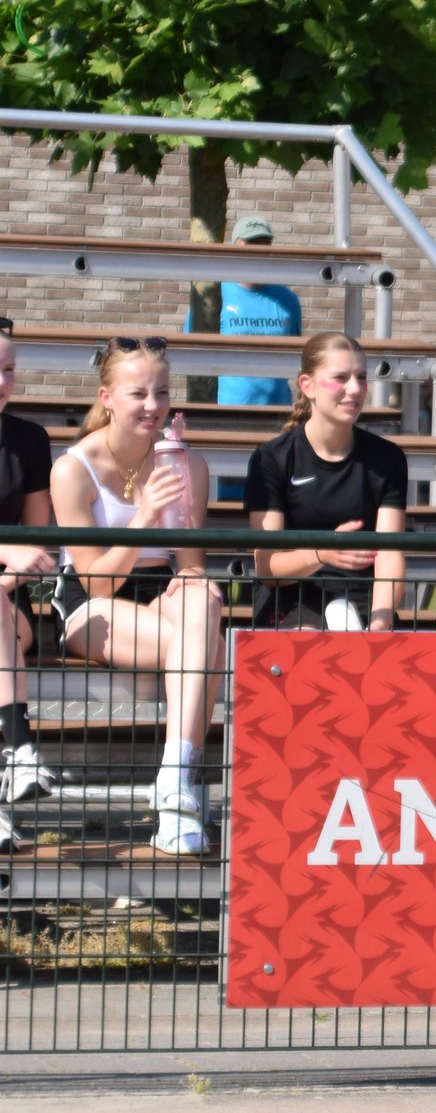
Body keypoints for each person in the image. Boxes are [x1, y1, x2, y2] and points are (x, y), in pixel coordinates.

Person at [50, 338, 224, 855]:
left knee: (204, 601)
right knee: (206, 649)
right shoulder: (73, 469)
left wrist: (196, 580)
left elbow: (190, 562)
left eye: (162, 393)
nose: (153, 405)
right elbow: (96, 582)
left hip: (158, 592)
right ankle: (178, 795)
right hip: (91, 604)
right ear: (106, 398)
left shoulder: (186, 463)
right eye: (138, 394)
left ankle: (173, 776)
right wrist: (144, 517)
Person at [244, 333, 408, 632]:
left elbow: (390, 555)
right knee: (311, 646)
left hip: (365, 603)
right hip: (293, 602)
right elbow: (267, 566)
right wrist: (323, 553)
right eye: (340, 378)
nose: (354, 389)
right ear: (308, 385)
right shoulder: (272, 459)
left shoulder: (388, 458)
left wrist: (379, 625)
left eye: (361, 378)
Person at [0, 316, 57, 843]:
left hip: (7, 603)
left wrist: (8, 572)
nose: (2, 382)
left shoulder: (29, 440)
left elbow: (38, 547)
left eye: (9, 370)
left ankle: (18, 756)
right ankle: (18, 747)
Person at [214, 215, 302, 409]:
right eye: (252, 243)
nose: (259, 250)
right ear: (235, 247)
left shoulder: (288, 299)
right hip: (227, 412)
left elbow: (298, 358)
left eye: (265, 243)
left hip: (278, 411)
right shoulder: (215, 297)